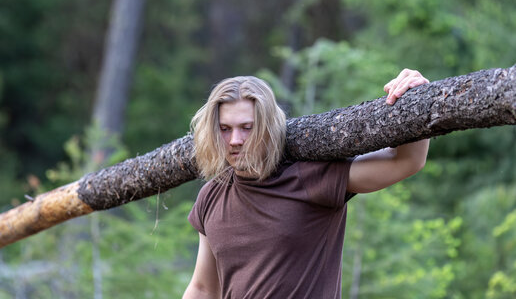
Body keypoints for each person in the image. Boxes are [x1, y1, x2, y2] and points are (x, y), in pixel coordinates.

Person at [182, 69, 430, 299]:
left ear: (268, 128)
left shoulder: (308, 178)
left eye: (247, 128)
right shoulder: (212, 195)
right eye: (225, 129)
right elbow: (203, 288)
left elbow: (406, 161)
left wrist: (417, 97)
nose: (235, 140)